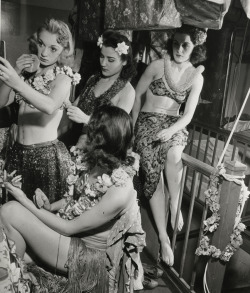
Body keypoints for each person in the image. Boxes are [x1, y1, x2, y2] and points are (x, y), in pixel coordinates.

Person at [0, 105, 145, 293]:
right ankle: (15, 283)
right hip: (69, 240)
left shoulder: (121, 188)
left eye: (90, 131)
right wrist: (49, 206)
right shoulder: (94, 163)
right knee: (7, 250)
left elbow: (68, 228)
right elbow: (74, 202)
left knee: (10, 210)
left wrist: (22, 199)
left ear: (101, 139)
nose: (86, 135)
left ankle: (14, 284)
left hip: (86, 257)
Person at [132, 25, 207, 266]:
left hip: (174, 125)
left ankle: (176, 203)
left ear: (195, 48)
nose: (180, 49)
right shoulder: (157, 66)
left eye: (186, 45)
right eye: (176, 43)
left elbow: (187, 116)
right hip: (146, 123)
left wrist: (171, 130)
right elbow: (136, 97)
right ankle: (164, 239)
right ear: (171, 43)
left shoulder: (196, 76)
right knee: (154, 175)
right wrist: (132, 131)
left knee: (175, 155)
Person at [0, 19, 81, 203]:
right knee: (12, 210)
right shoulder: (28, 74)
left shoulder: (63, 78)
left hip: (44, 158)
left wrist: (17, 82)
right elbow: (1, 101)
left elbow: (49, 106)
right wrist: (17, 70)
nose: (44, 53)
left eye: (53, 48)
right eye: (41, 44)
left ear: (64, 50)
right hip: (17, 153)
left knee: (38, 214)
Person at [66, 29, 136, 149]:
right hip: (77, 142)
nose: (103, 63)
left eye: (111, 60)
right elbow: (75, 107)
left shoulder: (127, 91)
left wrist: (87, 119)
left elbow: (117, 129)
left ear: (124, 61)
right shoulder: (93, 79)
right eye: (102, 56)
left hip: (102, 150)